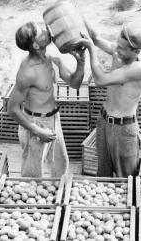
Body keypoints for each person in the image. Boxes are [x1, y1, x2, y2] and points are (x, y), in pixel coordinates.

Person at [7, 21, 85, 177]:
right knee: (33, 175)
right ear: (36, 45)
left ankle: (58, 197)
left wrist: (81, 62)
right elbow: (12, 108)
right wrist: (37, 130)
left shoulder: (53, 59)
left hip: (54, 119)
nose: (46, 30)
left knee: (60, 166)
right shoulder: (28, 72)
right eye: (40, 32)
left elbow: (75, 84)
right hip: (35, 123)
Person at [79, 21, 141, 177]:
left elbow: (100, 80)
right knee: (103, 172)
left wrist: (91, 50)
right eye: (118, 45)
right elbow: (96, 38)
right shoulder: (118, 51)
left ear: (136, 51)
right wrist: (80, 17)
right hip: (104, 122)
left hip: (123, 129)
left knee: (126, 177)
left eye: (122, 49)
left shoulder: (137, 69)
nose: (118, 50)